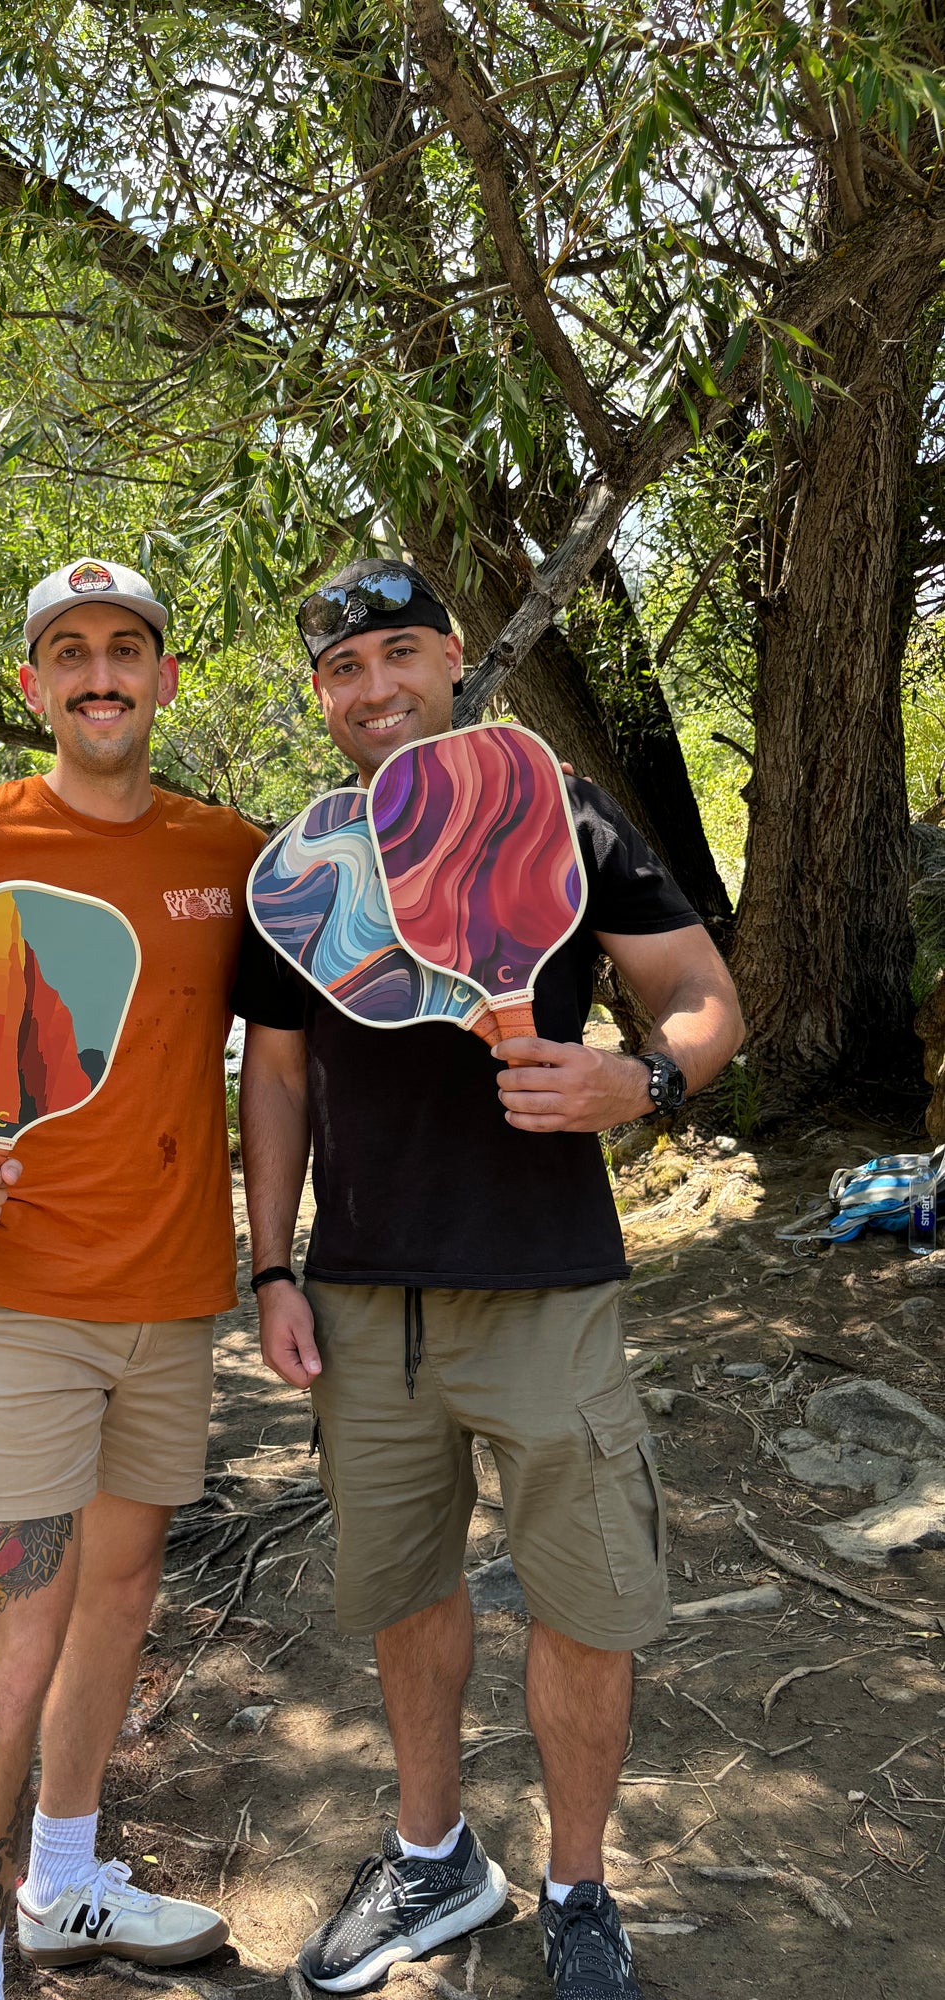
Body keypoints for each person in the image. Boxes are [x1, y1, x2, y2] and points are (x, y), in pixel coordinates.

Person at [235, 559, 745, 2000]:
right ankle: (436, 1856)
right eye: (344, 668)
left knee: (586, 1607)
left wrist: (633, 1078)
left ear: (454, 660)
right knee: (407, 1591)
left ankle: (579, 1889)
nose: (376, 688)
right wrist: (272, 1265)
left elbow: (708, 1002)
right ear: (321, 694)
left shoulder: (562, 810)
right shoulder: (304, 868)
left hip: (548, 1294)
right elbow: (273, 1081)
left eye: (400, 654)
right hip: (361, 1301)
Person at [0, 557, 265, 2000]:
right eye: (71, 652)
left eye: (128, 648)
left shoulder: (230, 852)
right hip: (23, 1301)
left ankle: (67, 1880)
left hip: (175, 1300)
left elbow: (319, 1018)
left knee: (122, 1595)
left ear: (163, 677)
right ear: (33, 687)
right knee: (16, 1630)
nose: (101, 673)